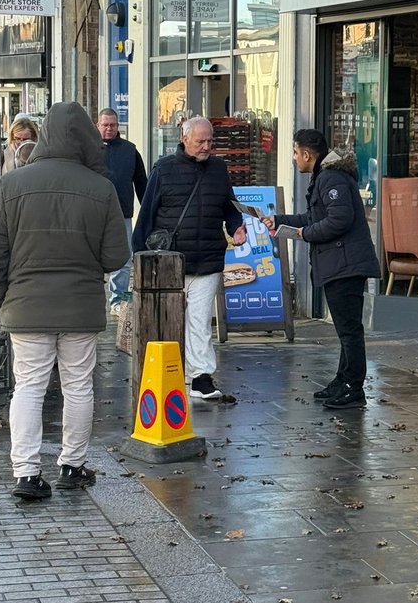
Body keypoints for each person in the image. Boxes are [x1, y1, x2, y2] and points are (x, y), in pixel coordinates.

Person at [0, 101, 131, 502]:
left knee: (28, 387)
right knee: (78, 386)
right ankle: (72, 465)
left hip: (25, 305)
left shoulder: (12, 185)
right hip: (80, 306)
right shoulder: (100, 188)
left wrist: (3, 299)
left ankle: (26, 473)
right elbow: (117, 256)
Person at [264, 129, 380, 411]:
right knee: (345, 329)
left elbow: (339, 220)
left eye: (294, 153)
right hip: (339, 263)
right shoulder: (324, 177)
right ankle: (343, 381)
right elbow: (315, 216)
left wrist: (305, 233)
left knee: (350, 330)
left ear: (307, 154)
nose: (293, 159)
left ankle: (353, 388)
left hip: (345, 265)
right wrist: (280, 220)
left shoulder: (332, 178)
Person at [132, 116, 246, 401]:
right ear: (184, 139)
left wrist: (236, 227)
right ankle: (167, 372)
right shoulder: (164, 169)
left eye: (210, 141)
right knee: (167, 319)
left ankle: (200, 377)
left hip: (207, 258)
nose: (206, 146)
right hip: (171, 261)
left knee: (199, 320)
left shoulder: (219, 169)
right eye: (200, 141)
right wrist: (137, 257)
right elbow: (147, 213)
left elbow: (228, 206)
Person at [97, 107, 148, 314]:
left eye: (113, 125)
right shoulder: (88, 150)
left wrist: (147, 211)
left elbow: (141, 183)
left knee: (124, 258)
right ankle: (93, 300)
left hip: (123, 212)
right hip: (93, 213)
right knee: (91, 257)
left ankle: (117, 300)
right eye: (105, 125)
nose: (109, 129)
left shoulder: (130, 150)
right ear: (97, 125)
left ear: (118, 126)